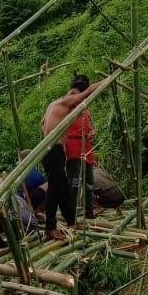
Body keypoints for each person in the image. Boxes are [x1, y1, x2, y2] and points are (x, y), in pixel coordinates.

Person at [41, 74, 104, 240]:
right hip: (53, 149)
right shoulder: (67, 100)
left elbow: (42, 123)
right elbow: (89, 91)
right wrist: (108, 80)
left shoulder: (54, 105)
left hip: (52, 148)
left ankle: (70, 221)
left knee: (63, 188)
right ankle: (50, 227)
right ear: (74, 93)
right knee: (55, 188)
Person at [64, 87, 96, 219]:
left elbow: (91, 128)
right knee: (74, 182)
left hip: (86, 146)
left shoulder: (85, 110)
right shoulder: (66, 111)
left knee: (89, 182)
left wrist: (93, 132)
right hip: (73, 146)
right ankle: (72, 214)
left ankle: (89, 212)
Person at [18, 149, 47, 216]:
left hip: (24, 201)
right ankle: (37, 211)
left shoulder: (27, 172)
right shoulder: (31, 172)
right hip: (24, 202)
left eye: (19, 159)